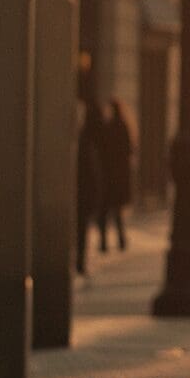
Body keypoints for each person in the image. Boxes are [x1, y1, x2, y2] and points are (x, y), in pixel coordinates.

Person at [97, 98, 134, 252]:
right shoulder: (124, 127)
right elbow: (130, 150)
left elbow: (102, 151)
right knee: (116, 211)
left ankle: (105, 242)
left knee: (105, 211)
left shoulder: (108, 127)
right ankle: (121, 241)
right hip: (119, 175)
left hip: (109, 175)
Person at [76, 99, 106, 274]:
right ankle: (80, 259)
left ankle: (80, 259)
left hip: (85, 188)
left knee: (81, 227)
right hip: (89, 187)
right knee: (82, 227)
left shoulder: (86, 136)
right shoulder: (95, 136)